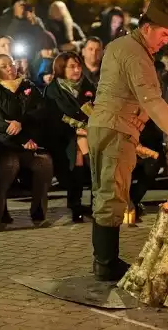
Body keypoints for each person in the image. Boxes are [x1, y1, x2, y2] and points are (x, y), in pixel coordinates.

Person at [87, 0, 168, 281]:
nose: (166, 41)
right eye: (164, 34)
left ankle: (103, 260)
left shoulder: (122, 46)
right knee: (112, 194)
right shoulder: (135, 53)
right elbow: (151, 100)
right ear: (147, 28)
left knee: (105, 191)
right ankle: (106, 264)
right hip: (117, 129)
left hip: (106, 126)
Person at [0, 54, 53, 226]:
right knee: (9, 165)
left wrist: (23, 124)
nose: (9, 68)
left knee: (44, 164)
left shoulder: (28, 86)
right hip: (4, 144)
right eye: (4, 66)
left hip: (28, 142)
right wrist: (22, 139)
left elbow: (41, 111)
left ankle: (38, 212)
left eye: (11, 64)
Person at [45, 52, 96, 223]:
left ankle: (90, 203)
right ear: (62, 69)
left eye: (78, 65)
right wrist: (78, 129)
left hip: (90, 133)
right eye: (71, 66)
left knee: (86, 155)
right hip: (64, 136)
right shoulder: (53, 89)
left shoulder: (88, 86)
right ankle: (77, 204)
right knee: (78, 156)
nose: (76, 70)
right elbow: (54, 118)